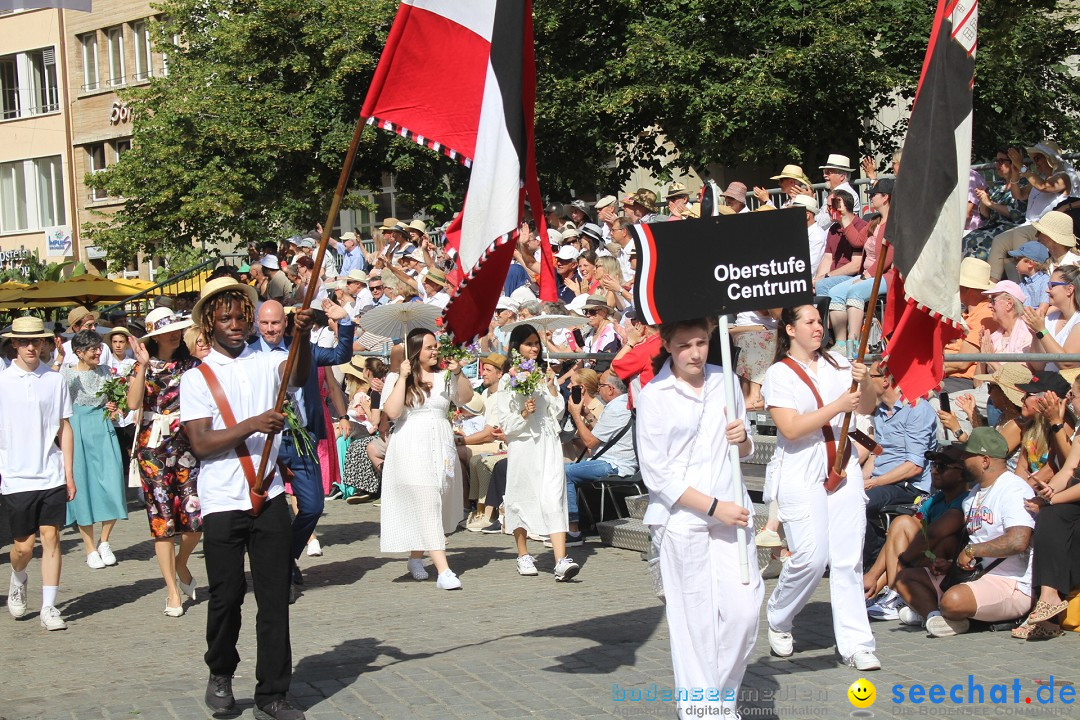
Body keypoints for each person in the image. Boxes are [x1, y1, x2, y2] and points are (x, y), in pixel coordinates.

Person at [179, 277, 313, 720]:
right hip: (221, 500)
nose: (236, 324)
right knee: (227, 595)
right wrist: (254, 422)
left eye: (242, 316)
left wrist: (304, 334)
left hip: (269, 494)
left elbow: (296, 374)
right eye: (226, 318)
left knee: (275, 599)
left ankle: (272, 694)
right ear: (209, 324)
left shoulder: (267, 360)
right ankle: (220, 672)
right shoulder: (197, 378)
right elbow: (200, 443)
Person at [636, 317, 762, 718]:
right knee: (695, 623)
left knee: (743, 613)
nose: (694, 352)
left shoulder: (725, 380)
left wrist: (744, 441)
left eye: (701, 343)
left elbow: (743, 452)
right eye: (684, 345)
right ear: (668, 347)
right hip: (683, 519)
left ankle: (719, 699)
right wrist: (712, 506)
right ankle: (703, 710)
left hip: (733, 513)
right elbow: (657, 474)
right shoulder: (654, 394)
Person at [762, 305, 880, 671]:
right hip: (801, 469)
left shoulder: (841, 364)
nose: (818, 327)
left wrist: (867, 383)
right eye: (809, 322)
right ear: (790, 329)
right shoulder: (778, 373)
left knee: (847, 560)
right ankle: (779, 616)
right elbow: (792, 428)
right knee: (811, 557)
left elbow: (868, 408)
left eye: (820, 321)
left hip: (843, 466)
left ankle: (856, 643)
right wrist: (838, 405)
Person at [893, 428, 1035, 637]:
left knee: (953, 600)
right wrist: (952, 565)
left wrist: (971, 550)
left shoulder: (1014, 489)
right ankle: (935, 617)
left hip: (1011, 583)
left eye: (967, 455)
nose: (962, 460)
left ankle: (942, 612)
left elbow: (1018, 541)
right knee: (905, 578)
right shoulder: (973, 496)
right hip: (975, 576)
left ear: (985, 461)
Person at [252, 299, 353, 583]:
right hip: (264, 439)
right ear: (257, 324)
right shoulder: (247, 356)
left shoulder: (304, 349)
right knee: (260, 508)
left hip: (300, 437)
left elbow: (341, 354)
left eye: (275, 323)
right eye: (265, 323)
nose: (271, 329)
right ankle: (271, 567)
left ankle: (287, 558)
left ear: (285, 323)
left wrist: (343, 321)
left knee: (312, 506)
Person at [379, 329, 471, 590]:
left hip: (440, 445)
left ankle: (416, 557)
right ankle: (444, 571)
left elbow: (464, 398)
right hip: (411, 446)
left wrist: (458, 372)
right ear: (417, 351)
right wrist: (402, 378)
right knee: (428, 499)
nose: (435, 351)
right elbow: (393, 412)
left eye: (436, 347)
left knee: (435, 501)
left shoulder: (444, 377)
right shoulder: (398, 378)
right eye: (430, 347)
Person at [126, 308, 203, 617]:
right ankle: (172, 590)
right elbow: (132, 403)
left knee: (195, 519)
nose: (174, 333)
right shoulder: (142, 365)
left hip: (186, 444)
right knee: (163, 521)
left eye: (178, 328)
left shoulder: (193, 365)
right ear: (153, 336)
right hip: (153, 448)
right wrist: (143, 367)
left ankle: (181, 563)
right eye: (167, 330)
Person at [1, 316, 75, 631]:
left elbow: (65, 427)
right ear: (14, 344)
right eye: (24, 341)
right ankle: (18, 577)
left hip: (52, 473)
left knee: (51, 538)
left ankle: (49, 607)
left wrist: (69, 472)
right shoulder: (3, 382)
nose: (31, 346)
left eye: (36, 341)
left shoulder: (55, 380)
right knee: (23, 547)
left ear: (44, 343)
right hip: (15, 474)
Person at [494, 324, 580, 581]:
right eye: (528, 343)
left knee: (553, 496)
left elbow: (557, 412)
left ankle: (560, 560)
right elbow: (506, 423)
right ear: (516, 347)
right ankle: (523, 554)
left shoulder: (544, 374)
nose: (534, 348)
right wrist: (524, 413)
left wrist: (552, 387)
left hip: (548, 443)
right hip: (523, 445)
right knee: (522, 495)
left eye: (536, 343)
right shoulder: (507, 380)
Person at [864, 444, 969, 619]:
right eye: (934, 466)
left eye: (942, 467)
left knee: (904, 524)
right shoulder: (936, 499)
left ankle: (895, 591)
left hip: (945, 566)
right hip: (923, 557)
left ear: (962, 473)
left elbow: (935, 534)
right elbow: (903, 532)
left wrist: (903, 560)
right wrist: (874, 576)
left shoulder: (965, 501)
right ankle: (878, 589)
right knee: (900, 526)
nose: (935, 471)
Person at [859, 361, 938, 568]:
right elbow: (877, 455)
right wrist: (862, 479)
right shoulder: (880, 411)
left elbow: (914, 465)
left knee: (862, 500)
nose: (865, 382)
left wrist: (874, 483)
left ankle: (872, 564)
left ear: (885, 381)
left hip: (908, 485)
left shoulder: (917, 409)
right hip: (883, 480)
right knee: (846, 494)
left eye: (870, 377)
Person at [60, 329, 127, 570]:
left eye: (99, 348)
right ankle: (89, 547)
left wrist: (114, 407)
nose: (99, 352)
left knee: (111, 482)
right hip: (77, 430)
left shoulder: (107, 372)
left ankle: (104, 541)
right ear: (79, 352)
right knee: (83, 487)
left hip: (103, 429)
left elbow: (120, 406)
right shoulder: (67, 375)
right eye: (93, 349)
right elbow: (59, 409)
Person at [564, 371, 637, 543]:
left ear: (611, 389)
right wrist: (588, 415)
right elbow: (602, 434)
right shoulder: (622, 405)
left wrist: (576, 415)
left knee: (563, 472)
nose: (597, 389)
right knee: (563, 469)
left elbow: (590, 443)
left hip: (614, 464)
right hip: (613, 460)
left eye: (601, 385)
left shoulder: (616, 408)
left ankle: (572, 530)